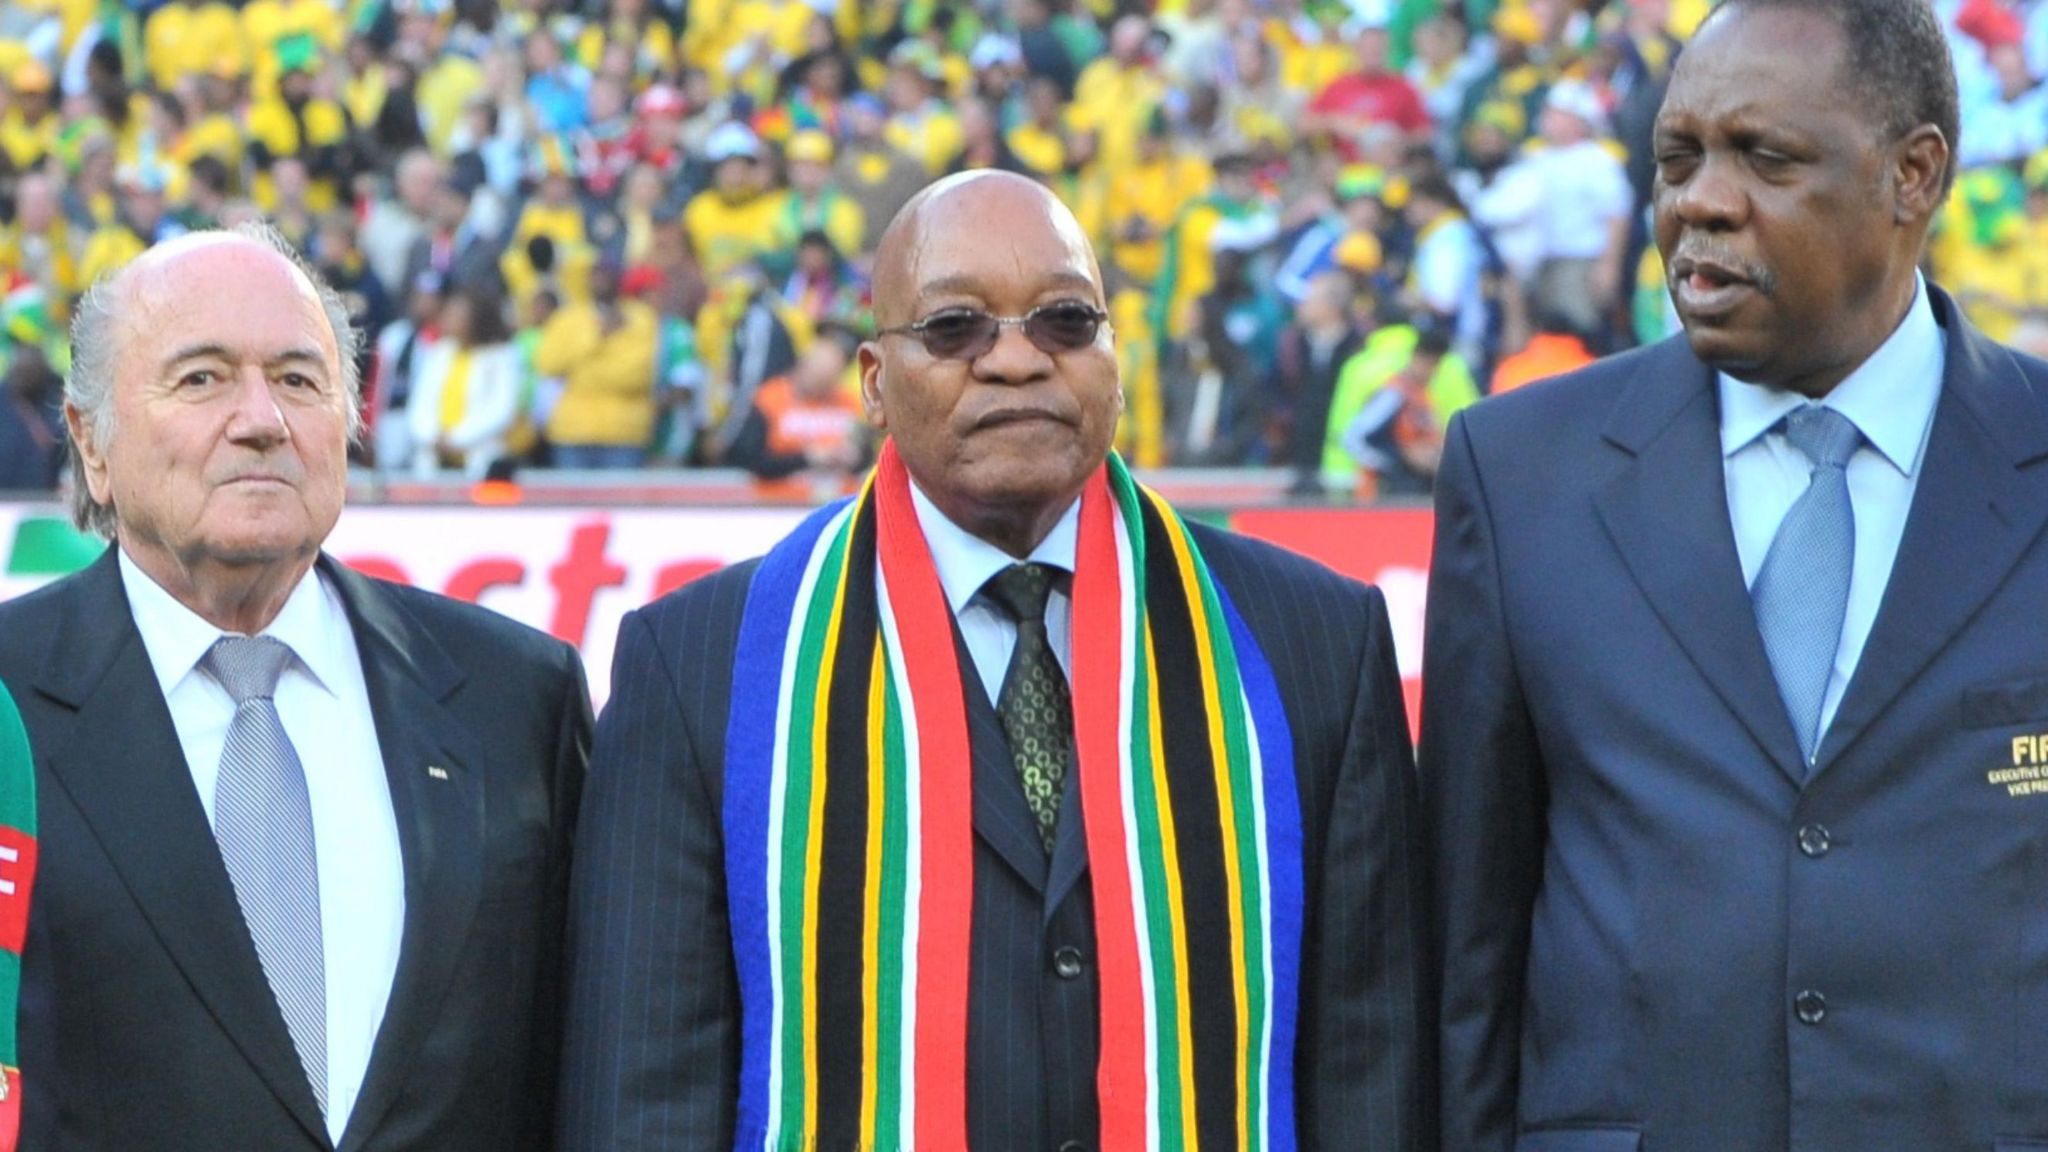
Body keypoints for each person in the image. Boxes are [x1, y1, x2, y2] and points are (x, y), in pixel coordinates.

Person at [560, 170, 1432, 1151]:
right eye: (954, 328)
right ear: (873, 382)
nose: (1016, 360)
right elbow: (644, 1095)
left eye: (1064, 319)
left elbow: (1371, 1070)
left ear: (1113, 354)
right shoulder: (699, 666)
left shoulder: (1315, 641)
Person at [1423, 2, 2048, 1148]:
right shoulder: (1518, 475)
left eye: (1764, 157)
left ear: (1912, 175)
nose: (1698, 201)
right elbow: (1469, 948)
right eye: (1676, 158)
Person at [0, 225, 591, 1151]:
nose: (261, 419)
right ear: (92, 443)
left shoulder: (518, 696)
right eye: (201, 378)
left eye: (298, 379)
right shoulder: (7, 700)